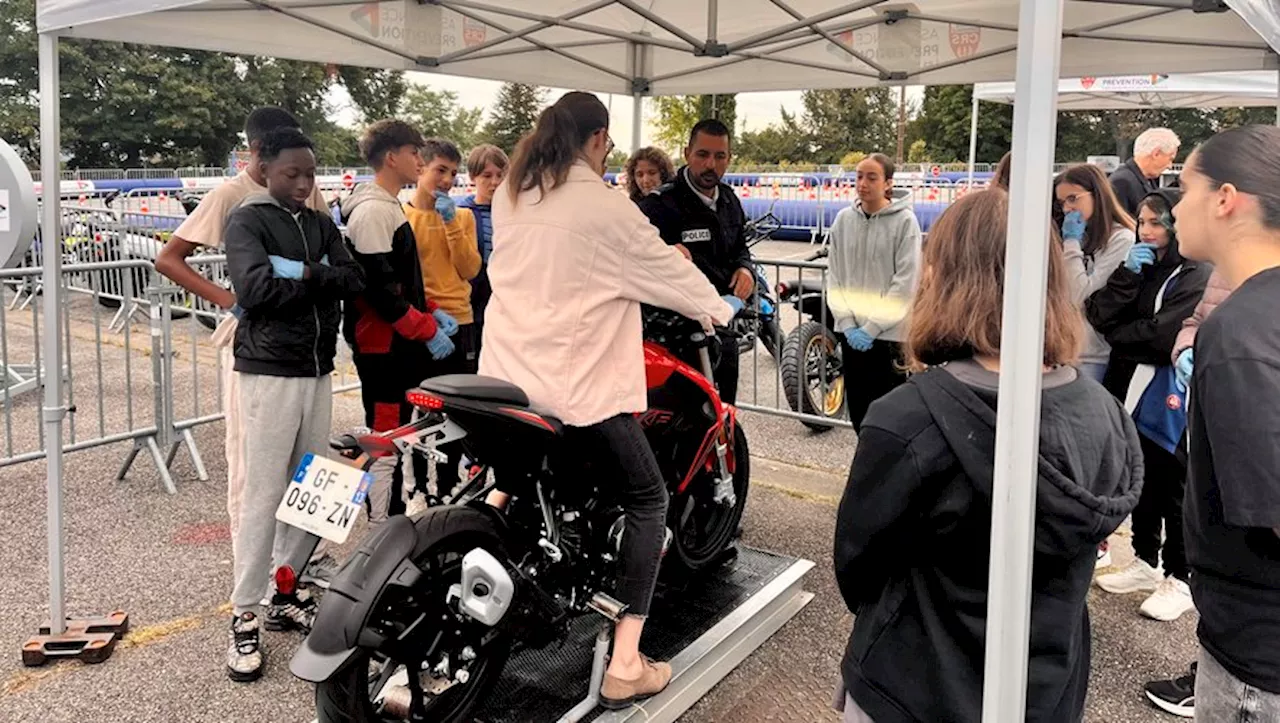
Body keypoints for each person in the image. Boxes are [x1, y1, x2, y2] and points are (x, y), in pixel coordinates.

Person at [833, 188, 1142, 723]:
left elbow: (859, 569)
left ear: (942, 277)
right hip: (1045, 686)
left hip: (910, 684)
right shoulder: (1105, 412)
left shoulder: (906, 418)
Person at [479, 92, 738, 709]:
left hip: (505, 382)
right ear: (597, 140)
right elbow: (669, 276)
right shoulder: (605, 206)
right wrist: (722, 309)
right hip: (575, 391)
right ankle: (626, 662)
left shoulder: (515, 194)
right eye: (609, 144)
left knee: (510, 483)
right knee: (649, 497)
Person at [154, 107, 335, 580]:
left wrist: (319, 279)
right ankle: (247, 578)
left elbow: (334, 259)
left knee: (310, 465)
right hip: (256, 350)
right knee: (253, 469)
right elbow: (170, 259)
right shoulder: (232, 195)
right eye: (284, 168)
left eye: (305, 172)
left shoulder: (306, 188)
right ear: (255, 152)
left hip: (309, 349)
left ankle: (297, 564)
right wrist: (232, 301)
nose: (300, 182)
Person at [222, 127, 364, 682]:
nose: (304, 184)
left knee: (309, 489)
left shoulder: (322, 223)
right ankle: (244, 613)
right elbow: (254, 289)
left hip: (316, 369)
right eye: (292, 174)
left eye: (310, 173)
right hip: (268, 372)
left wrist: (301, 271)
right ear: (262, 166)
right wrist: (318, 278)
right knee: (263, 494)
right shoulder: (247, 219)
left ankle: (287, 590)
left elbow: (352, 279)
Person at [1159, 124, 1280, 722]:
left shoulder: (1239, 332)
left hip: (1256, 664)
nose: (1174, 207)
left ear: (1226, 198)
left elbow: (1269, 513)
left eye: (1185, 188)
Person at [1085, 189, 1210, 623]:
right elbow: (1098, 314)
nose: (1148, 231)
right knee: (1142, 474)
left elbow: (1162, 337)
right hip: (1131, 384)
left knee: (1173, 479)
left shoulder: (1196, 271)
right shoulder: (1142, 267)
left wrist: (1124, 334)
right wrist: (1125, 277)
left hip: (1168, 391)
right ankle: (1144, 557)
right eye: (1143, 222)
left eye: (1158, 223)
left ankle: (1180, 575)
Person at [342, 120, 455, 525]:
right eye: (414, 153)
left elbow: (400, 282)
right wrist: (425, 327)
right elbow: (379, 290)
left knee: (399, 433)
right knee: (384, 436)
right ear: (392, 157)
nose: (420, 161)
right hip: (381, 346)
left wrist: (432, 309)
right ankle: (379, 525)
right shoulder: (372, 211)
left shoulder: (386, 205)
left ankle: (389, 518)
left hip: (396, 343)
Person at [1141, 266, 1234, 718]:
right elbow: (1193, 322)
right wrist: (1188, 348)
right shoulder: (1228, 267)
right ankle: (1210, 670)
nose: (1176, 206)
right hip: (1210, 413)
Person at [639, 119, 755, 404]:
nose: (710, 164)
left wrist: (745, 269)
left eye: (720, 156)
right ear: (687, 153)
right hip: (676, 340)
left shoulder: (729, 199)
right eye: (702, 154)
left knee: (724, 415)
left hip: (724, 331)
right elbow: (637, 266)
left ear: (729, 158)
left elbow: (740, 247)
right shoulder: (659, 205)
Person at [405, 138, 481, 497]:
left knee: (457, 411)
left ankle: (449, 487)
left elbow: (470, 268)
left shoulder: (463, 215)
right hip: (423, 324)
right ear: (421, 168)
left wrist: (451, 222)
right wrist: (425, 318)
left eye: (453, 172)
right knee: (420, 410)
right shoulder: (402, 215)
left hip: (460, 320)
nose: (447, 180)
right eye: (441, 170)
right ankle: (419, 487)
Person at [826, 153, 921, 432]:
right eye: (858, 176)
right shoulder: (844, 220)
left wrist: (872, 328)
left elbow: (905, 283)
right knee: (859, 413)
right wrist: (847, 324)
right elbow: (835, 277)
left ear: (888, 183)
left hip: (889, 338)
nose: (863, 183)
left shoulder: (905, 223)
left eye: (872, 177)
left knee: (891, 419)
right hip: (853, 336)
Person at [1054, 163, 1137, 384]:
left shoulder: (1121, 239)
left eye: (1073, 198)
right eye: (1062, 203)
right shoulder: (1084, 236)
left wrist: (1071, 244)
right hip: (1067, 347)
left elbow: (1081, 294)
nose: (1067, 209)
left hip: (1094, 352)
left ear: (1096, 194)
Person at [457, 143, 508, 351]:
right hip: (473, 293)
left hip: (503, 291)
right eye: (487, 176)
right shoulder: (461, 212)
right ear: (473, 177)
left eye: (499, 175)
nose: (494, 182)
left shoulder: (513, 212)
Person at [1110, 128, 1181, 217]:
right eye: (1170, 159)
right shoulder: (1121, 182)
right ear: (1156, 153)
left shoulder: (1147, 180)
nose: (1170, 166)